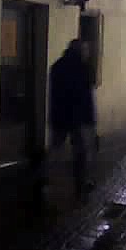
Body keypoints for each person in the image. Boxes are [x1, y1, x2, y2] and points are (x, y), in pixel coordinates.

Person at [38, 39, 96, 198]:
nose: (88, 53)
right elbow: (85, 98)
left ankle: (44, 178)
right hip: (77, 117)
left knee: (55, 149)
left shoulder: (57, 66)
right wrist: (90, 119)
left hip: (59, 115)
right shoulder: (83, 69)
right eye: (85, 50)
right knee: (81, 152)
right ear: (79, 51)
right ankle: (81, 183)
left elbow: (55, 94)